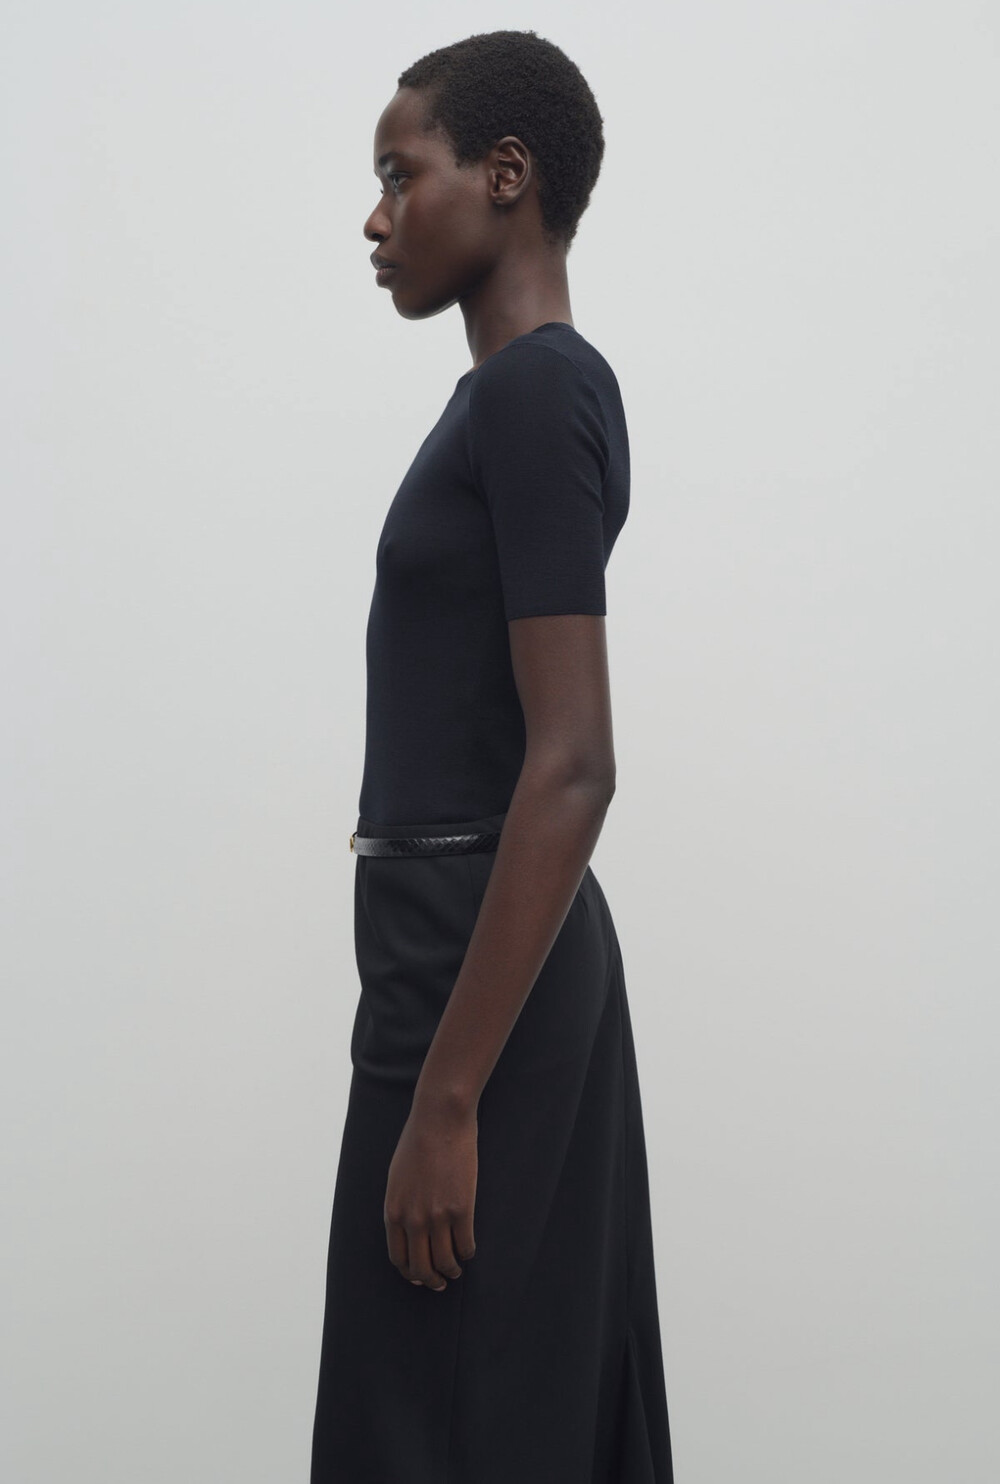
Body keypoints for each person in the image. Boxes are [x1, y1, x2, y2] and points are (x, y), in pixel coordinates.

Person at [311, 29, 675, 1484]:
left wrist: (449, 1096)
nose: (375, 216)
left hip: (477, 965)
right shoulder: (513, 399)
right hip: (454, 946)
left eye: (402, 175)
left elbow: (575, 761)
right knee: (454, 1405)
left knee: (441, 1423)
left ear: (506, 174)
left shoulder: (536, 390)